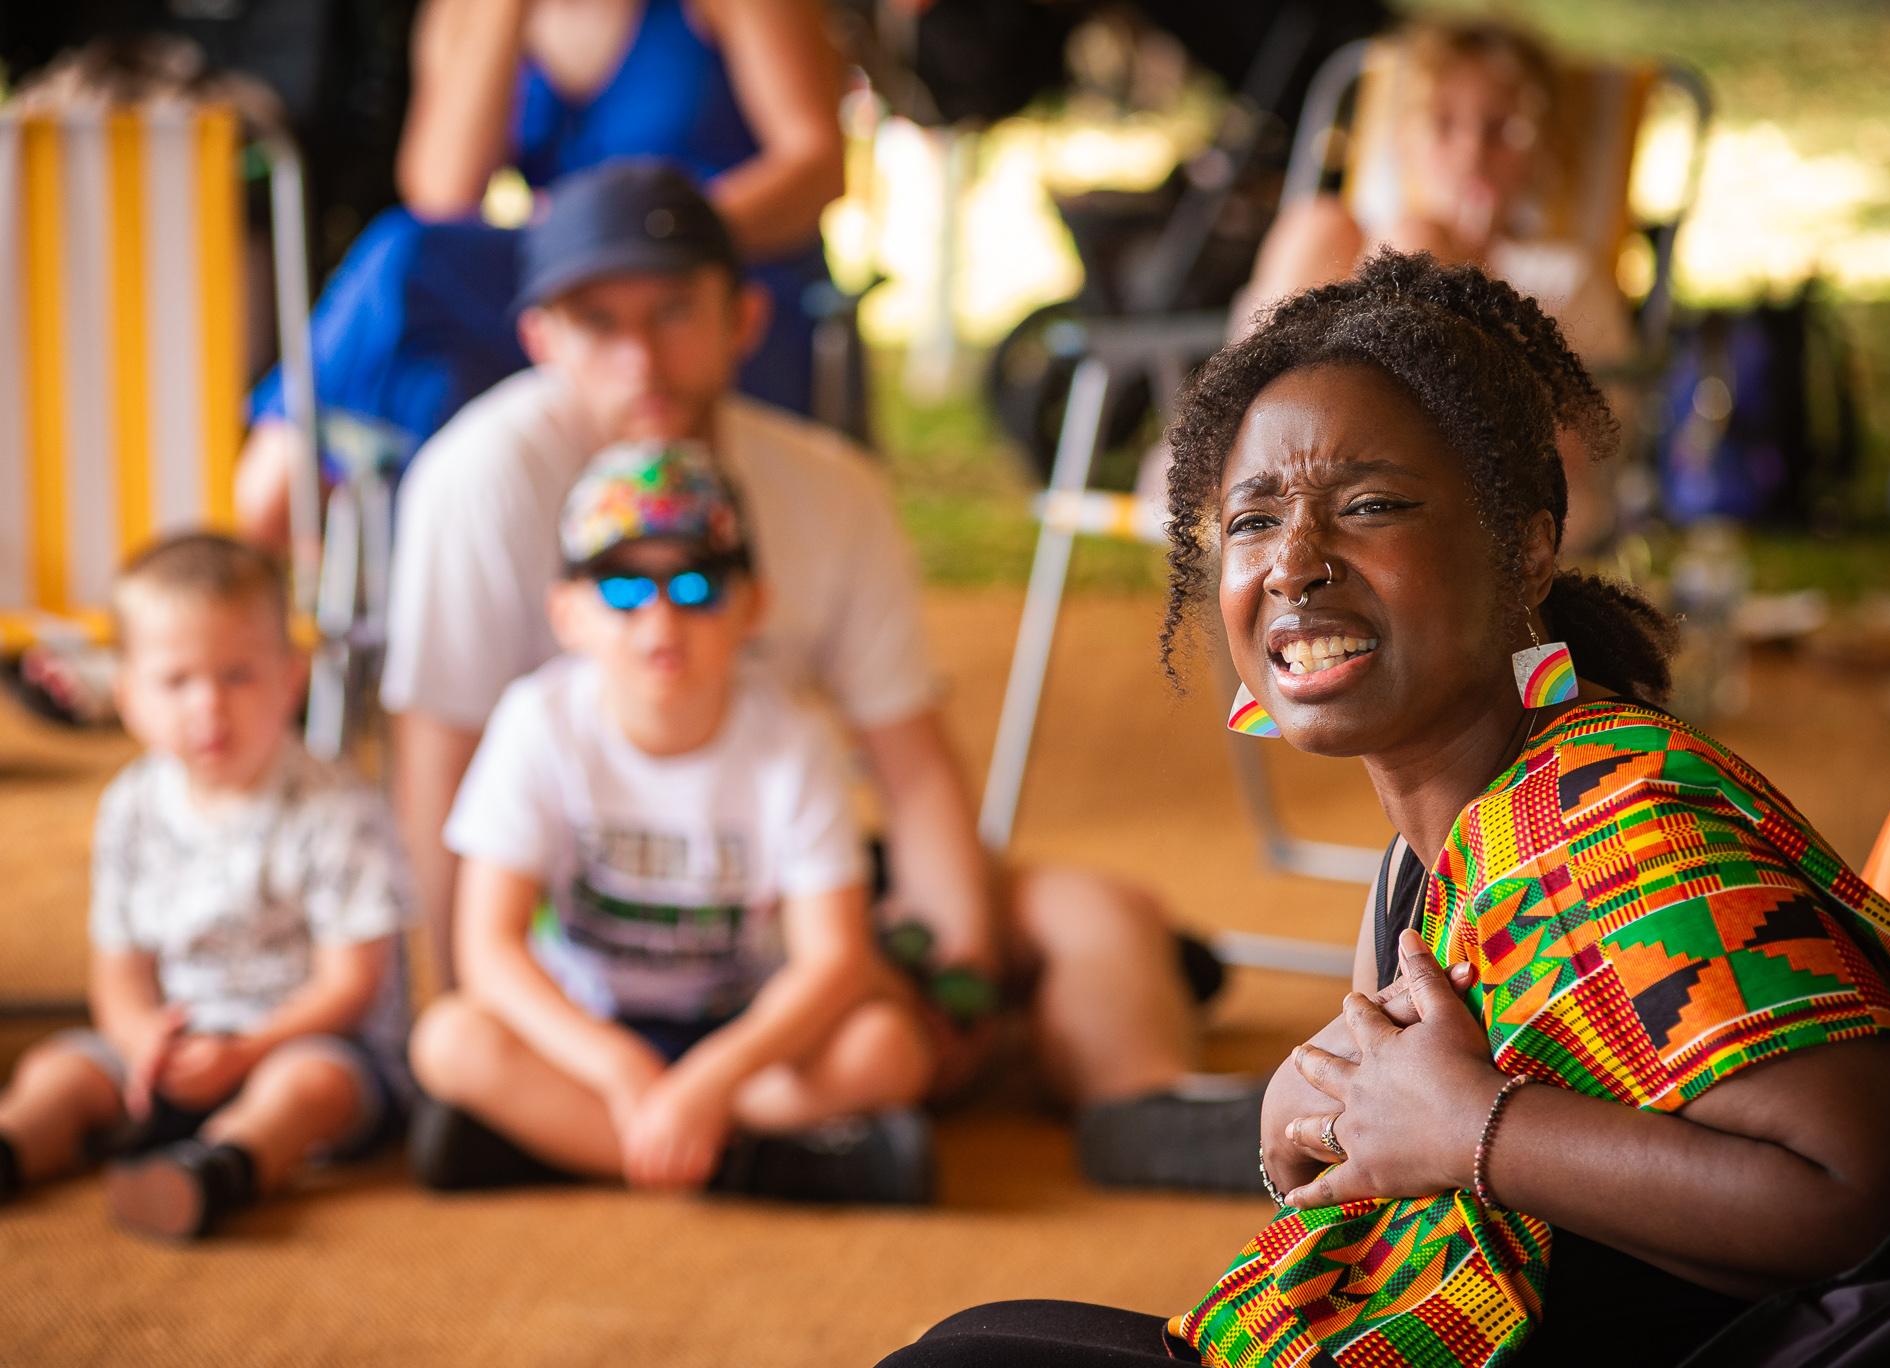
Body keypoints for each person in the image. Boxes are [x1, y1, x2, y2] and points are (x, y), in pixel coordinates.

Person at [877, 252, 1890, 1367]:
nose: (1295, 563)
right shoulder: (1437, 851)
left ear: (1524, 549)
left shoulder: (1608, 819)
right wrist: (1329, 1120)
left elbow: (1867, 1191)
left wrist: (1474, 1132)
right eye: (1251, 520)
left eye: (1369, 507)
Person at [382, 158, 1255, 1191]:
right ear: (539, 340)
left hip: (786, 869)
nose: (640, 358)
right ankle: (779, 1144)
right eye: (597, 324)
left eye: (671, 311)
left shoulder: (830, 491)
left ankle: (1136, 1106)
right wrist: (461, 1017)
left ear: (741, 319)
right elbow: (437, 762)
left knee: (1099, 911)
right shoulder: (475, 479)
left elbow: (910, 762)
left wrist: (959, 974)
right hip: (583, 901)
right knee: (474, 1041)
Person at [406, 445, 936, 1199]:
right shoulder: (537, 722)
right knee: (450, 1040)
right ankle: (762, 1166)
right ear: (567, 614)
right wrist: (618, 1068)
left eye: (697, 585)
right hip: (587, 1028)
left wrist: (709, 1083)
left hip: (741, 1032)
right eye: (623, 587)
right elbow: (488, 948)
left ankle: (574, 1144)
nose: (661, 617)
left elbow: (834, 961)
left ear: (754, 604)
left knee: (888, 1048)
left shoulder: (794, 740)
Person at [233, 0, 847, 547]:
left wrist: (642, 231)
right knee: (423, 317)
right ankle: (422, 560)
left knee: (411, 258)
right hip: (579, 294)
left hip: (718, 280)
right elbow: (444, 191)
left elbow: (816, 162)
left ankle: (290, 466)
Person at [0, 534, 412, 1240]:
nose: (209, 707)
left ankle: (221, 1167)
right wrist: (140, 1043)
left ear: (292, 678)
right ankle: (16, 1143)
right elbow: (120, 975)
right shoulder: (129, 807)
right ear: (126, 694)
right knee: (58, 1069)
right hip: (173, 1051)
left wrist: (247, 1052)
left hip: (303, 1040)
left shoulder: (336, 809)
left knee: (308, 1088)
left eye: (237, 676)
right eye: (177, 681)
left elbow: (353, 986)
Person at [1222, 15, 1630, 555]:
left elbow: (1590, 436)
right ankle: (1259, 477)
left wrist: (1471, 280)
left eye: (1502, 130)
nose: (1471, 154)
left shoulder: (1562, 272)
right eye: (1444, 125)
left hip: (1492, 497)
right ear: (1403, 141)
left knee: (1416, 241)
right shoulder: (1344, 244)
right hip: (1310, 476)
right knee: (1318, 222)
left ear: (1544, 149)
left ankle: (1327, 492)